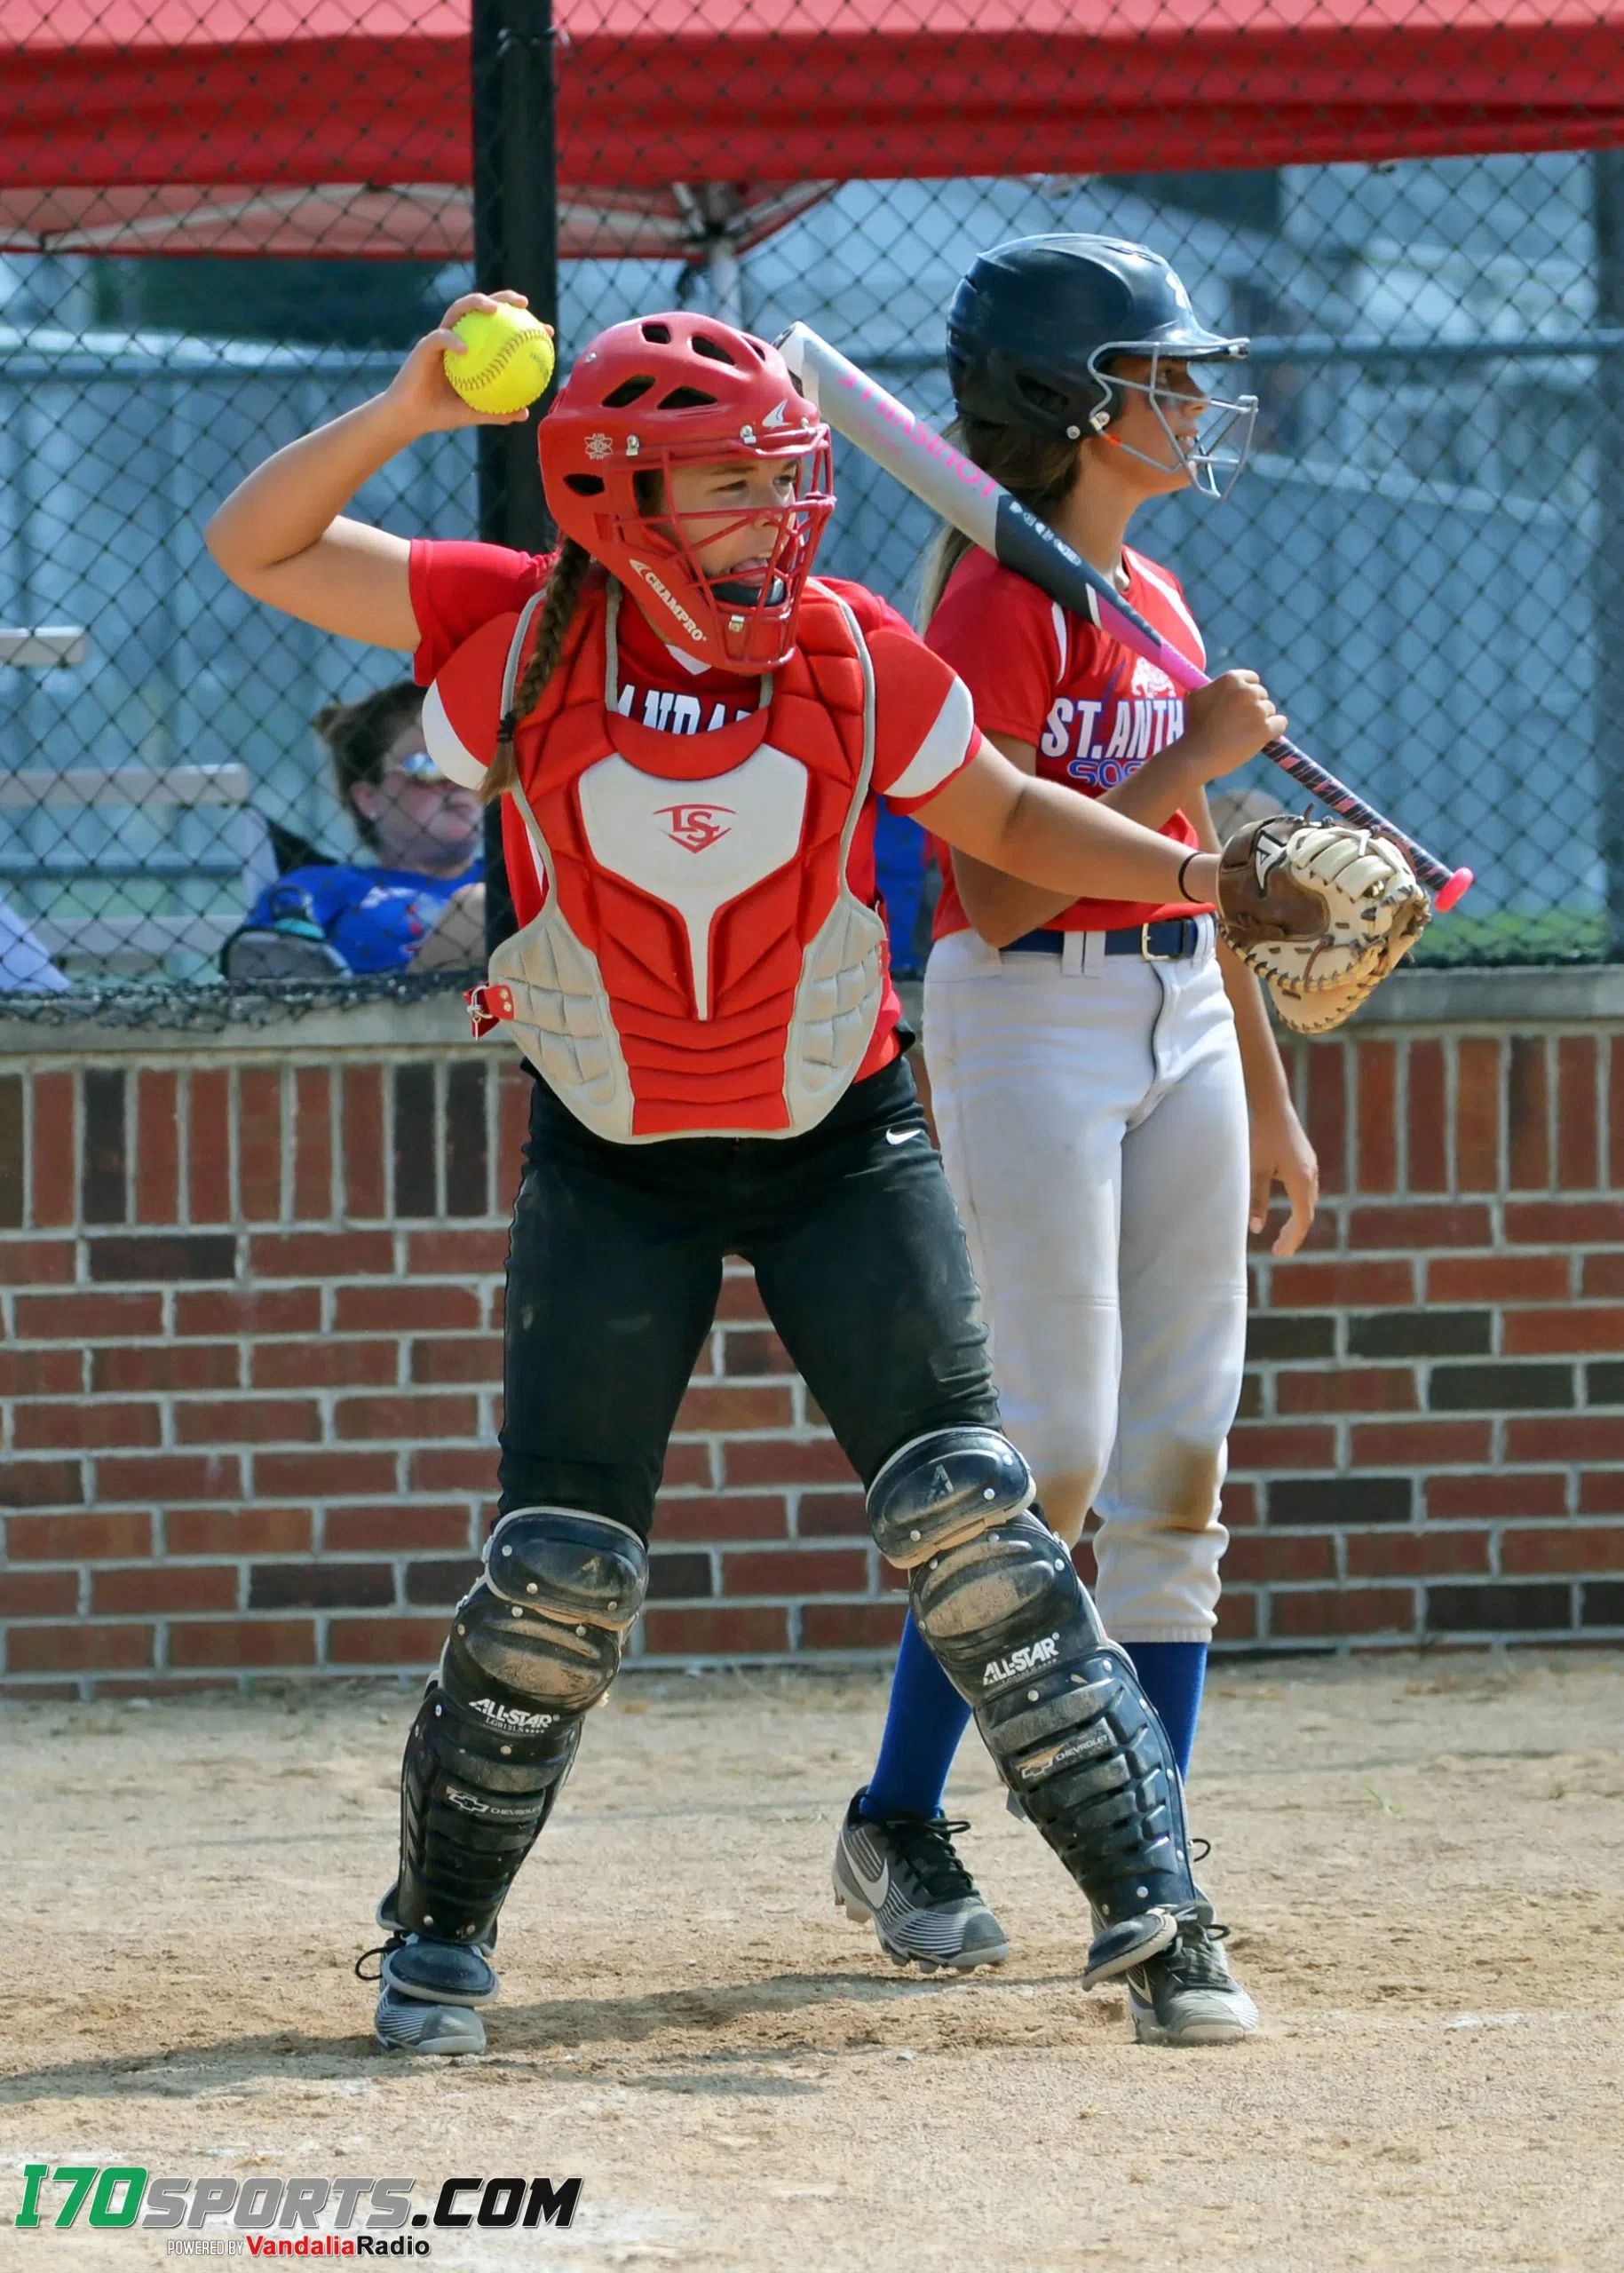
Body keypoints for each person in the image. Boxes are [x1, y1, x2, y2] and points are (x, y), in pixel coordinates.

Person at [203, 289, 1303, 2059]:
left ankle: (1154, 1907)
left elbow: (1011, 818)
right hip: (613, 1158)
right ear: (616, 495)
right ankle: (438, 1934)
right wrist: (414, 402)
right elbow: (253, 541)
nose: (781, 514)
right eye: (728, 482)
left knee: (974, 1513)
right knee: (558, 1570)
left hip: (834, 1145)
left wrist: (1201, 882)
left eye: (786, 476)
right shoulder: (515, 628)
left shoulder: (849, 646)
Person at [834, 235, 1319, 2046]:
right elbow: (997, 876)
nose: (1186, 401)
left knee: (1181, 1443)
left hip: (1180, 1011)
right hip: (1023, 1012)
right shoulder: (991, 603)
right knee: (1046, 1446)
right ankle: (895, 1814)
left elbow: (1197, 891)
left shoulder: (1160, 596)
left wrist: (1265, 1095)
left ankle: (1156, 1858)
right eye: (1152, 374)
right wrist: (1181, 751)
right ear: (1062, 402)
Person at [229, 682, 485, 977]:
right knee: (477, 909)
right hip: (388, 1017)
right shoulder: (328, 887)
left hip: (513, 1014)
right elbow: (262, 962)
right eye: (428, 766)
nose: (453, 780)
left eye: (467, 760)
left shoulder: (520, 879)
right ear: (369, 798)